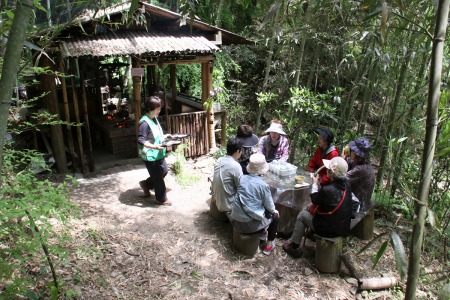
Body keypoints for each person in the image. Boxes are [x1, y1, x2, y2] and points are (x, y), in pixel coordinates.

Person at [283, 157, 352, 258]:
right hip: (343, 226)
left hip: (330, 230)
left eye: (328, 169)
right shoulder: (347, 185)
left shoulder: (328, 189)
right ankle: (310, 233)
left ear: (331, 173)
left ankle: (294, 246)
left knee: (302, 215)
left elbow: (315, 199)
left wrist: (314, 184)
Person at [230, 153, 280, 255]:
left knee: (257, 208)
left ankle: (262, 233)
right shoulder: (263, 185)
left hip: (236, 220)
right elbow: (271, 208)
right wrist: (274, 210)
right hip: (248, 226)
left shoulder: (242, 178)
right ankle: (269, 245)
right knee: (275, 215)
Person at [138, 96, 172, 206]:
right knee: (158, 179)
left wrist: (165, 136)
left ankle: (146, 184)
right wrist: (154, 147)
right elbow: (141, 139)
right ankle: (161, 199)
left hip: (158, 153)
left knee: (164, 172)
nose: (159, 110)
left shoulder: (154, 118)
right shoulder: (144, 123)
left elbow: (155, 135)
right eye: (158, 108)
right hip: (150, 155)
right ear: (151, 108)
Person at [212, 137, 244, 212]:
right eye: (241, 151)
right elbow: (241, 187)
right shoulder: (235, 166)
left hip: (219, 202)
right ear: (238, 151)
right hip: (229, 205)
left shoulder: (219, 160)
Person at [343, 137, 376, 211]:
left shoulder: (361, 169)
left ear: (355, 152)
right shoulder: (360, 162)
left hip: (359, 205)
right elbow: (348, 163)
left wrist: (342, 159)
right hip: (359, 199)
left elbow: (340, 177)